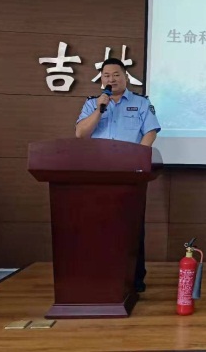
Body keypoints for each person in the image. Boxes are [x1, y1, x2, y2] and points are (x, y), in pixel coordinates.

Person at [75, 57, 161, 293]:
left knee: (132, 226)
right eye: (106, 75)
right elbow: (81, 134)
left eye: (116, 75)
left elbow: (150, 132)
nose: (111, 79)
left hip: (130, 173)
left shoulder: (141, 103)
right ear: (101, 79)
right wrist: (99, 110)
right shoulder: (92, 104)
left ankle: (135, 278)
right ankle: (99, 275)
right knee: (98, 224)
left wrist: (137, 159)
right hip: (98, 173)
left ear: (125, 77)